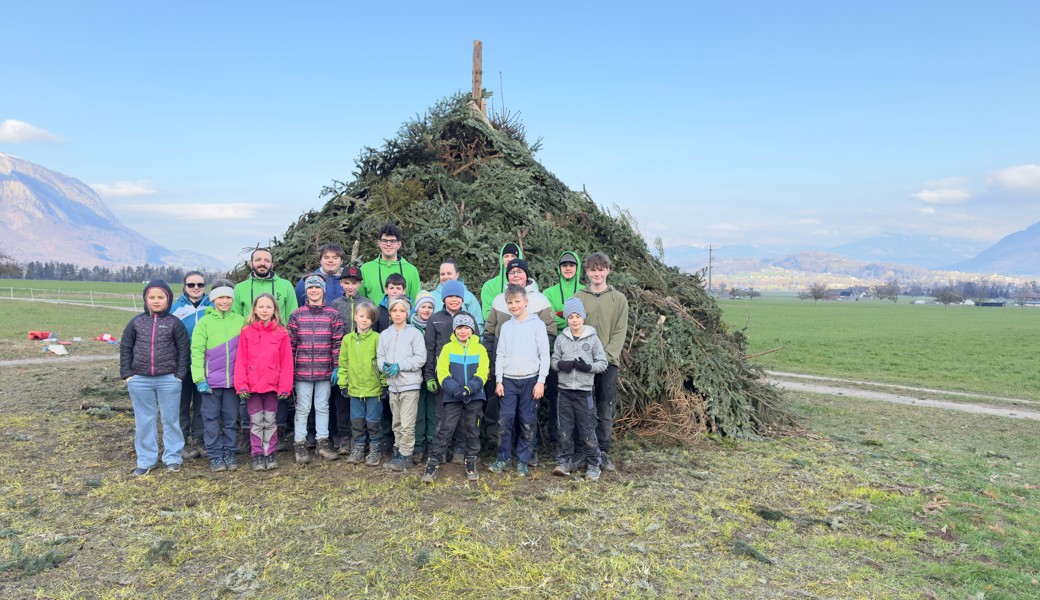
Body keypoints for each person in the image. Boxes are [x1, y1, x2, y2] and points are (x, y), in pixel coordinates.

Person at [481, 259, 556, 459]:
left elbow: (549, 333)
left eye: (519, 272)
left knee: (527, 415)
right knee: (504, 414)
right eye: (511, 272)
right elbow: (489, 333)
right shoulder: (499, 300)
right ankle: (503, 451)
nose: (515, 275)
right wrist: (490, 362)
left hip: (530, 372)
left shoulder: (540, 300)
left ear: (526, 275)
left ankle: (528, 453)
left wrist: (540, 369)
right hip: (505, 370)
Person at [119, 280, 190, 476]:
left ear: (168, 299)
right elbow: (126, 348)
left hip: (169, 379)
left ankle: (173, 458)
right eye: (152, 297)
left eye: (161, 297)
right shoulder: (136, 323)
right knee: (144, 421)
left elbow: (184, 350)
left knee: (171, 420)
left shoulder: (175, 323)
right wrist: (127, 375)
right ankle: (146, 460)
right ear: (145, 299)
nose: (156, 301)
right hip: (139, 379)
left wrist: (179, 376)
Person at [574, 252, 629, 472]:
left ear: (608, 270)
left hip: (608, 363)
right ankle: (581, 451)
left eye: (601, 269)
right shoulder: (578, 297)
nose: (597, 273)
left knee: (604, 408)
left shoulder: (619, 299)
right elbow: (574, 327)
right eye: (592, 269)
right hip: (583, 363)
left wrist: (604, 358)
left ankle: (603, 452)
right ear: (586, 272)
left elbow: (620, 331)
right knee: (581, 407)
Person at [488, 284, 550, 477]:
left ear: (526, 302)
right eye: (509, 303)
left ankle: (523, 459)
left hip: (530, 381)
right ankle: (503, 458)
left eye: (517, 302)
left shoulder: (537, 324)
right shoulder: (506, 327)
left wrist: (541, 381)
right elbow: (500, 354)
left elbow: (545, 354)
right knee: (505, 420)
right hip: (508, 381)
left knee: (527, 421)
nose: (513, 306)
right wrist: (499, 380)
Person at [421, 312, 489, 483]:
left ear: (472, 330)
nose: (463, 331)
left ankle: (471, 460)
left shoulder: (480, 348)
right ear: (454, 330)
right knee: (446, 428)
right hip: (453, 396)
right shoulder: (448, 348)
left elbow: (483, 372)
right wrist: (455, 390)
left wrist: (469, 389)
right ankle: (433, 462)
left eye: (466, 327)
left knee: (472, 428)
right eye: (459, 328)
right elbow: (442, 371)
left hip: (474, 396)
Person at [287, 274, 345, 464]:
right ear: (306, 291)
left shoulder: (332, 315)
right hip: (302, 371)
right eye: (310, 288)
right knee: (303, 408)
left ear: (323, 290)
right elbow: (291, 345)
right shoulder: (297, 315)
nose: (314, 291)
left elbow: (337, 343)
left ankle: (322, 441)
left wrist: (337, 366)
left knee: (322, 406)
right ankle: (300, 443)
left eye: (317, 288)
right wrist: (290, 369)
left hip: (325, 370)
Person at [189, 280, 245, 472]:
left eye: (228, 297)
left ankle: (229, 452)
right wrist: (199, 379)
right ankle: (214, 455)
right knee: (211, 419)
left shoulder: (240, 320)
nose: (224, 301)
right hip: (210, 383)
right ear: (213, 299)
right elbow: (196, 351)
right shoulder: (204, 322)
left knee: (230, 420)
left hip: (233, 382)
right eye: (220, 297)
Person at [550, 297, 607, 481]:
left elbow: (603, 363)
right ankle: (564, 461)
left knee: (587, 428)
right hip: (565, 391)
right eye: (570, 317)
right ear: (566, 319)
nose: (574, 320)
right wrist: (561, 364)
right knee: (564, 429)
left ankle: (593, 463)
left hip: (584, 392)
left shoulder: (592, 339)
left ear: (583, 317)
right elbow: (553, 361)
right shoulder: (561, 339)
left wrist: (588, 368)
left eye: (577, 316)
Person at [234, 294, 293, 470]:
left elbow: (287, 362)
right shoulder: (246, 332)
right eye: (261, 307)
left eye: (268, 307)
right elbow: (241, 360)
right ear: (254, 310)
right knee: (256, 421)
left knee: (270, 420)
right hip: (252, 386)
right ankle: (258, 454)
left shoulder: (281, 333)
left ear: (275, 310)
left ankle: (270, 452)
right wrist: (241, 384)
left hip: (273, 386)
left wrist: (284, 387)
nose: (265, 310)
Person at [541, 251, 584, 453]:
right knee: (555, 395)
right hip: (555, 349)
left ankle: (577, 439)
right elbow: (548, 319)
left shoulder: (584, 291)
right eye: (564, 264)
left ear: (577, 267)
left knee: (577, 395)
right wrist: (570, 318)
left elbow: (586, 319)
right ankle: (554, 438)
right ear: (559, 268)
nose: (568, 268)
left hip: (579, 351)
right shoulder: (549, 293)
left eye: (571, 264)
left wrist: (561, 315)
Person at [423, 279, 470, 464]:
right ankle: (441, 449)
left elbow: (476, 347)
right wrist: (429, 376)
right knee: (442, 415)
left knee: (463, 415)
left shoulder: (468, 318)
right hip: (442, 376)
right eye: (450, 296)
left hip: (464, 375)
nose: (454, 299)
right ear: (443, 298)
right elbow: (430, 349)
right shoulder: (435, 319)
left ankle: (460, 449)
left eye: (457, 296)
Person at [377, 297, 426, 471]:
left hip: (410, 386)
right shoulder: (385, 334)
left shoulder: (415, 333)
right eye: (394, 310)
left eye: (402, 311)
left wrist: (400, 366)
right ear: (390, 313)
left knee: (407, 423)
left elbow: (420, 358)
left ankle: (406, 455)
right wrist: (385, 367)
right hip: (393, 386)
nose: (398, 314)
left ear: (407, 313)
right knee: (396, 422)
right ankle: (398, 450)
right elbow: (380, 357)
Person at [170, 271, 213, 460]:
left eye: (200, 284)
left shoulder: (212, 307)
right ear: (184, 286)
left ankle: (199, 439)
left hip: (205, 365)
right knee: (181, 404)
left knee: (201, 404)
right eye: (191, 285)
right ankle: (181, 441)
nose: (196, 288)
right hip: (182, 364)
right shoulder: (175, 309)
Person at [338, 302, 386, 466]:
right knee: (356, 420)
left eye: (368, 317)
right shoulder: (347, 340)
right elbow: (343, 363)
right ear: (355, 317)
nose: (364, 320)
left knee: (373, 421)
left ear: (373, 320)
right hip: (355, 389)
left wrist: (384, 384)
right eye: (361, 316)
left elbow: (381, 363)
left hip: (374, 389)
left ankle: (375, 448)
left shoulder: (377, 338)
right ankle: (358, 447)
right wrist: (343, 383)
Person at [330, 264, 364, 454]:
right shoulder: (335, 305)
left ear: (360, 284)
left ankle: (360, 436)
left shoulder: (367, 303)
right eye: (347, 283)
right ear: (341, 283)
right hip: (342, 360)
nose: (350, 286)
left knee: (361, 399)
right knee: (342, 399)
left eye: (354, 283)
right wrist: (335, 364)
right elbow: (332, 335)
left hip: (362, 360)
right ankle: (344, 436)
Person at [359, 224, 421, 303]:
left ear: (399, 244)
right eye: (385, 241)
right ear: (379, 243)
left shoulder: (411, 271)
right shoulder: (365, 269)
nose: (388, 244)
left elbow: (416, 303)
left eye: (392, 241)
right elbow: (360, 301)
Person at [409, 291, 437, 464]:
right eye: (423, 307)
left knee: (433, 413)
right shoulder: (410, 327)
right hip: (414, 377)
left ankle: (433, 445)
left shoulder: (436, 326)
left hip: (433, 376)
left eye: (430, 307)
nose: (426, 310)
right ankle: (418, 446)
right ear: (417, 309)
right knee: (418, 413)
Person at [232, 247, 298, 320]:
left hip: (279, 331)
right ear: (251, 264)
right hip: (250, 331)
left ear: (272, 265)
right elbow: (236, 319)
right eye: (258, 260)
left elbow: (293, 317)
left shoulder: (286, 286)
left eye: (267, 261)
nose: (262, 263)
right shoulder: (240, 288)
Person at [430, 258, 483, 334]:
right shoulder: (432, 296)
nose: (445, 277)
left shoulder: (468, 296)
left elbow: (478, 324)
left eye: (449, 273)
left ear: (457, 274)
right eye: (442, 274)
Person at [479, 243, 523, 322]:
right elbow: (487, 315)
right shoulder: (489, 286)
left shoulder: (528, 284)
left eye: (513, 256)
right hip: (499, 331)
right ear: (501, 259)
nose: (509, 259)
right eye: (506, 256)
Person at [294, 243, 347, 307]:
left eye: (335, 258)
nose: (330, 261)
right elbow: (298, 306)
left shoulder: (349, 281)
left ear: (341, 261)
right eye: (326, 257)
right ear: (320, 260)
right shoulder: (306, 281)